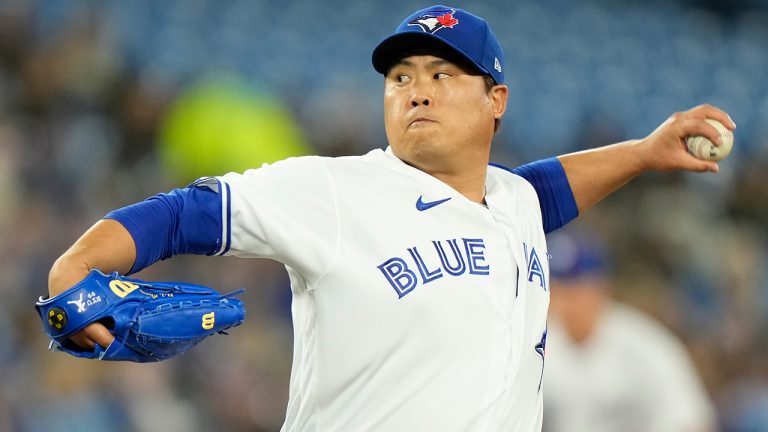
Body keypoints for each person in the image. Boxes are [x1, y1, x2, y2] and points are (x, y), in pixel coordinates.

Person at [45, 5, 735, 431]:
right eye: (401, 77)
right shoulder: (334, 190)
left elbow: (544, 190)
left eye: (442, 74)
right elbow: (185, 214)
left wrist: (644, 152)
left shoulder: (514, 203)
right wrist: (74, 266)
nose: (417, 91)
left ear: (496, 100)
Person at [543, 228, 717, 432]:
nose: (560, 299)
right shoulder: (538, 344)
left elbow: (693, 422)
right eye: (554, 287)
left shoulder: (645, 346)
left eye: (572, 288)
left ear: (600, 287)